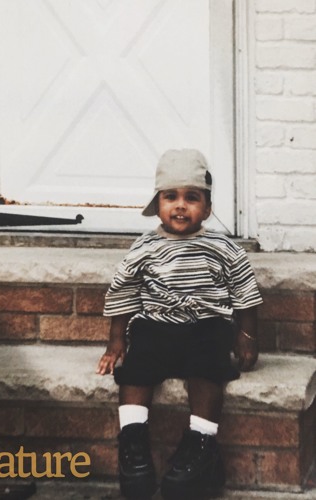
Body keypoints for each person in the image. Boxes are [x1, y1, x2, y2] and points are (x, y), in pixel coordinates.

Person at [96, 149, 263, 500]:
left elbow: (245, 292)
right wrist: (116, 341)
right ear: (157, 204)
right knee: (136, 368)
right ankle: (133, 444)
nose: (181, 206)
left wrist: (247, 335)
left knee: (207, 368)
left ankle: (201, 442)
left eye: (192, 198)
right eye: (170, 197)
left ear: (208, 207)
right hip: (156, 324)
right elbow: (124, 291)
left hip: (207, 325)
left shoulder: (222, 247)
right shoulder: (145, 247)